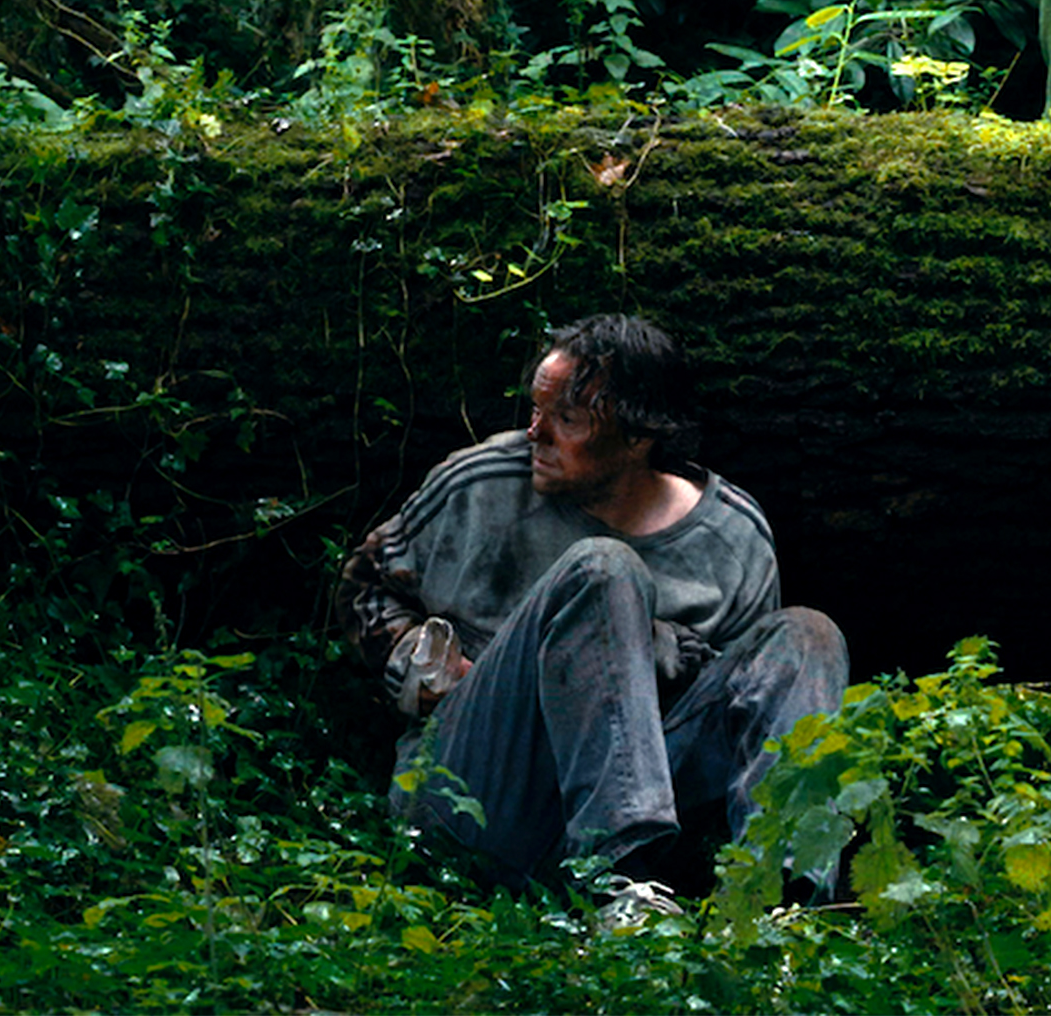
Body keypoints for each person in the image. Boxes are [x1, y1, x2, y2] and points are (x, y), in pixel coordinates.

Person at [339, 313, 848, 896]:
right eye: (536, 410)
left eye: (567, 419)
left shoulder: (732, 539)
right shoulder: (482, 482)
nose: (537, 432)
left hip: (651, 790)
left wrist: (655, 651)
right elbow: (363, 585)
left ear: (638, 437)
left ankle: (785, 902)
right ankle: (618, 884)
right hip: (480, 793)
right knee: (601, 569)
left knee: (811, 635)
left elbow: (741, 716)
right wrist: (418, 666)